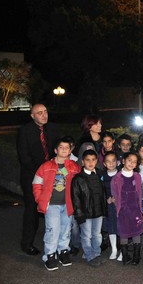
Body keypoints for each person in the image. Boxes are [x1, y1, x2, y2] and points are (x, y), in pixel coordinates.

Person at [17, 103, 61, 256]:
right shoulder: (25, 131)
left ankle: (59, 243)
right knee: (32, 210)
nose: (44, 115)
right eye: (39, 113)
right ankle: (27, 243)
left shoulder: (53, 129)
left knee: (55, 207)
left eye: (45, 111)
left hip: (53, 175)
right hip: (32, 176)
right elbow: (24, 157)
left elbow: (58, 151)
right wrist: (42, 172)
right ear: (32, 116)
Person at [32, 137, 81, 270]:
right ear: (55, 150)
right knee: (52, 230)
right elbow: (36, 184)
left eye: (67, 147)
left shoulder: (74, 167)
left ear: (70, 150)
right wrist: (40, 199)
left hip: (67, 204)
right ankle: (49, 255)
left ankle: (63, 251)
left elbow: (78, 184)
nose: (64, 149)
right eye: (61, 147)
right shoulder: (46, 166)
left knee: (66, 229)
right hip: (52, 204)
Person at [71, 149, 107, 267]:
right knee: (86, 235)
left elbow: (103, 193)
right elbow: (75, 198)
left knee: (97, 234)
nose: (90, 163)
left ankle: (96, 253)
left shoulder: (100, 174)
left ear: (96, 161)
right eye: (87, 160)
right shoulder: (78, 179)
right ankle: (90, 255)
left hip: (98, 210)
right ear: (82, 162)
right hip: (85, 212)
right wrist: (79, 213)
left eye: (93, 160)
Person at [111, 151, 143, 265]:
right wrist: (118, 208)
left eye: (134, 162)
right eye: (129, 160)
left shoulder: (137, 176)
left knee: (136, 232)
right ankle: (125, 255)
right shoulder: (116, 178)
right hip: (123, 210)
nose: (131, 163)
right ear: (124, 161)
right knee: (123, 232)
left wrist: (141, 209)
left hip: (135, 209)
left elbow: (140, 192)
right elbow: (114, 194)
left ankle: (136, 255)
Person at [100, 151, 121, 260]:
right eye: (108, 161)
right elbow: (100, 191)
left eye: (113, 161)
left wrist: (118, 198)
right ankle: (114, 249)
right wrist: (106, 200)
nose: (111, 163)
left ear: (117, 162)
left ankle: (122, 250)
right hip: (109, 205)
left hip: (121, 205)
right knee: (111, 226)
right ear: (104, 164)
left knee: (122, 226)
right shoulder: (102, 176)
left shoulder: (121, 174)